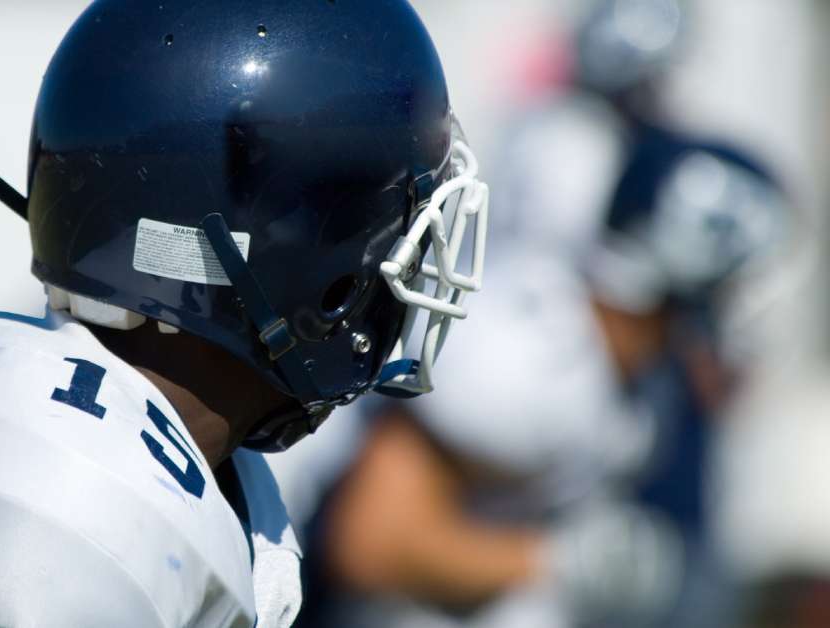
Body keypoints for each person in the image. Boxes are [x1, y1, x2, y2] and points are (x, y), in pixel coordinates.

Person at [0, 1, 490, 626]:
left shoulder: (209, 469)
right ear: (288, 251)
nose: (411, 267)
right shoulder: (49, 476)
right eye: (396, 225)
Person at [281, 0, 790, 626]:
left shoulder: (636, 377)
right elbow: (372, 540)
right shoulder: (521, 362)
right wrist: (553, 562)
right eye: (734, 282)